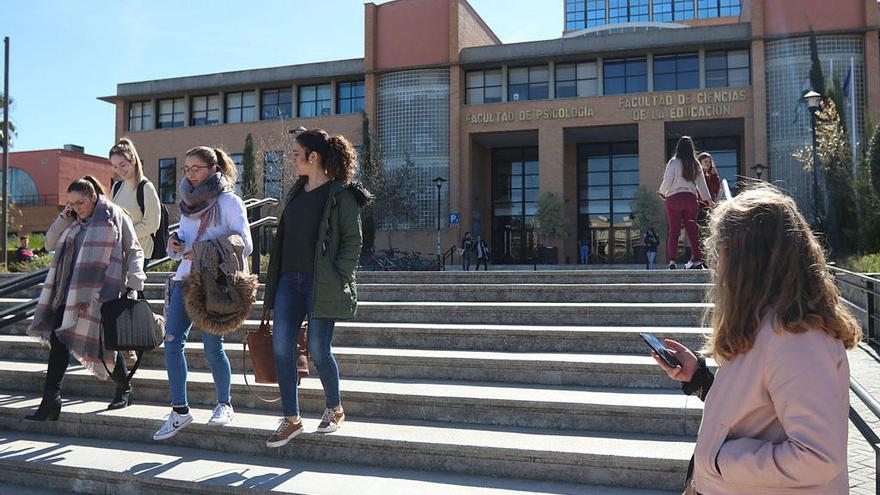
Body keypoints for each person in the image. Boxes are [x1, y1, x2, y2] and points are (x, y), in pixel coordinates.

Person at [650, 184, 861, 495]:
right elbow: (754, 412)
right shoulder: (767, 324)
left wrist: (719, 462)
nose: (717, 265)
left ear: (750, 260)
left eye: (722, 251)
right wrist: (698, 377)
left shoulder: (797, 339)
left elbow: (818, 458)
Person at [263, 128, 370, 448]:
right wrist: (271, 290)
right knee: (282, 348)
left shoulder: (343, 195)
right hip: (288, 281)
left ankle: (334, 408)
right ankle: (291, 418)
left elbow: (353, 241)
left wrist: (339, 275)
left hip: (322, 282)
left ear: (314, 157)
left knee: (319, 350)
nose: (292, 160)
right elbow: (282, 243)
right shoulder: (295, 193)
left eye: (296, 155)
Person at [25, 176, 146, 420]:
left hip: (104, 290)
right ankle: (51, 399)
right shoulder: (71, 221)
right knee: (59, 341)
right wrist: (63, 217)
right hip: (68, 291)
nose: (76, 208)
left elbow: (134, 250)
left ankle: (124, 387)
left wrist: (135, 281)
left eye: (80, 202)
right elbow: (49, 243)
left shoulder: (114, 216)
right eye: (71, 203)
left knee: (106, 344)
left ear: (93, 197)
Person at [153, 146, 252, 441]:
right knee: (171, 343)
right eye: (186, 169)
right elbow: (185, 243)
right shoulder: (186, 205)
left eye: (196, 168)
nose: (190, 174)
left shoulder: (230, 203)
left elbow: (244, 243)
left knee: (212, 347)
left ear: (214, 171)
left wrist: (204, 251)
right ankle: (179, 411)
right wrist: (176, 244)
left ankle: (224, 403)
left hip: (215, 284)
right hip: (186, 280)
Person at [658, 136, 714, 270]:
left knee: (674, 231)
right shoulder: (696, 164)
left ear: (678, 147)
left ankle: (672, 261)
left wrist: (662, 192)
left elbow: (668, 180)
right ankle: (697, 259)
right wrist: (709, 200)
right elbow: (702, 185)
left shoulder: (673, 162)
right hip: (690, 198)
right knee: (692, 231)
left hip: (674, 198)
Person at [109, 138, 162, 260]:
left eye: (123, 165)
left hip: (140, 252)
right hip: (119, 251)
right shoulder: (117, 187)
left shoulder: (146, 187)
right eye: (115, 166)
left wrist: (124, 234)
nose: (119, 170)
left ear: (133, 160)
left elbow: (152, 224)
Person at [697, 152, 722, 227]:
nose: (708, 164)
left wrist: (714, 176)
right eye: (705, 161)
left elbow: (716, 190)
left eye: (710, 162)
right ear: (700, 163)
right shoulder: (698, 175)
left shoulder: (709, 176)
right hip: (701, 208)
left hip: (709, 207)